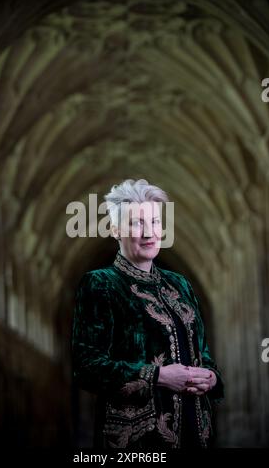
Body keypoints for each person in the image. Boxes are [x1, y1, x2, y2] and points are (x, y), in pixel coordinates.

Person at [72, 179, 224, 449]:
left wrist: (210, 377)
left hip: (198, 431)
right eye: (137, 223)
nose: (149, 232)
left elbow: (204, 353)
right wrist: (158, 376)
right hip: (136, 439)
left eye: (154, 221)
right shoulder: (101, 284)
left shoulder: (180, 285)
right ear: (116, 229)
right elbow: (87, 367)